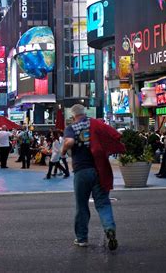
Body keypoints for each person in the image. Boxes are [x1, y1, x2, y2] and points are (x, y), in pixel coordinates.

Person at [61, 104, 125, 250]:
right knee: (103, 203)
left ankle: (82, 238)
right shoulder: (95, 124)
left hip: (82, 171)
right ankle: (109, 228)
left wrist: (63, 150)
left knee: (82, 206)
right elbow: (113, 135)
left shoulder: (72, 128)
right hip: (99, 169)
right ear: (85, 113)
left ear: (73, 116)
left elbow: (70, 142)